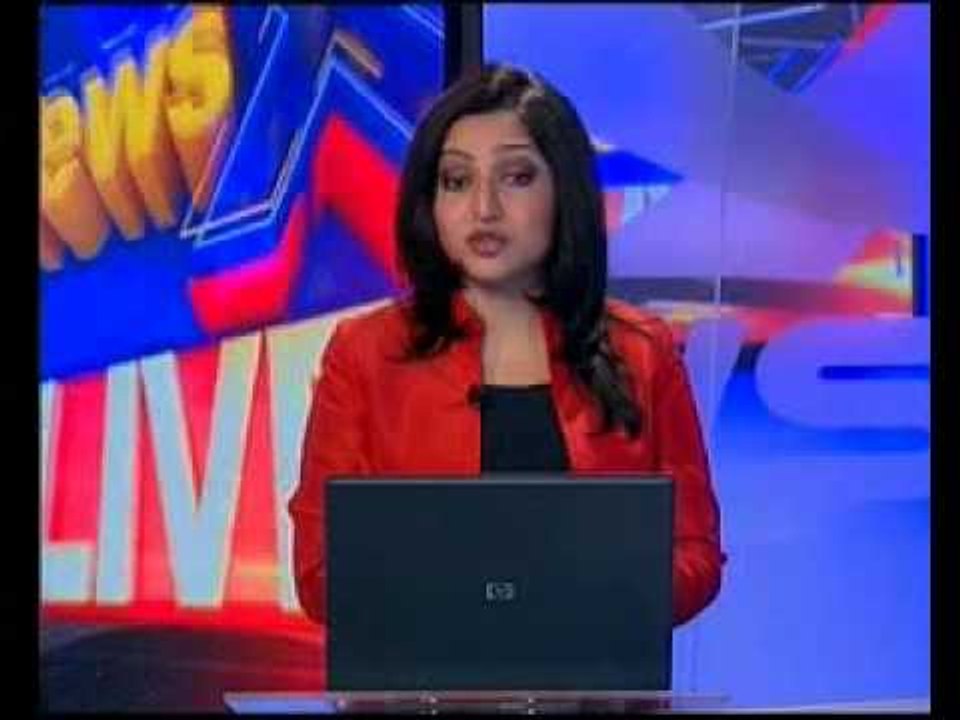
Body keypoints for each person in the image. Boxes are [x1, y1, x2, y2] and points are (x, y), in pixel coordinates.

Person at [289, 64, 725, 628]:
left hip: (588, 674)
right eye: (456, 181)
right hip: (426, 676)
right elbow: (320, 572)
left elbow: (696, 553)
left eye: (516, 177)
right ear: (430, 202)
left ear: (564, 191)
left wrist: (587, 600)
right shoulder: (364, 353)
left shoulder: (643, 351)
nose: (484, 208)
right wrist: (468, 602)